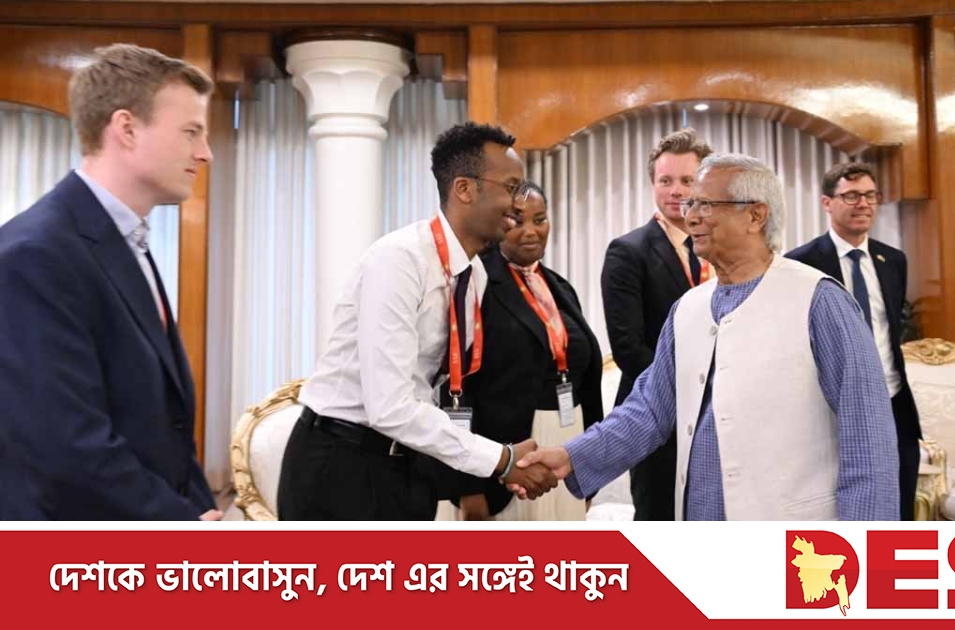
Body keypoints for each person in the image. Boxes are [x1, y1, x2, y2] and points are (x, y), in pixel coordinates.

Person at [514, 153, 900, 520]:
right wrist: (571, 456)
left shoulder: (820, 301)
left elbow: (868, 438)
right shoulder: (687, 309)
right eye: (690, 205)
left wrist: (864, 548)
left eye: (705, 205)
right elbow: (648, 409)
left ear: (755, 215)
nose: (691, 216)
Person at [277, 122, 558, 520]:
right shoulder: (399, 261)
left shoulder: (473, 275)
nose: (519, 204)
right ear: (464, 189)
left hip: (408, 464)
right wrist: (499, 459)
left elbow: (428, 390)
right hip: (342, 464)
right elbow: (390, 407)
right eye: (512, 187)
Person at [0, 44, 219, 520]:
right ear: (127, 128)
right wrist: (182, 526)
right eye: (191, 132)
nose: (205, 153)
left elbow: (166, 430)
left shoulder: (124, 239)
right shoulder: (34, 255)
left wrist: (202, 518)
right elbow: (65, 446)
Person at [443, 184, 604, 520]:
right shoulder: (475, 282)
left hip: (568, 442)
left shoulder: (559, 286)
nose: (531, 231)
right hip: (505, 457)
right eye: (517, 221)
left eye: (540, 220)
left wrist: (591, 473)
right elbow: (457, 385)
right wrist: (466, 487)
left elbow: (586, 377)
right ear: (498, 221)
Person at [784, 162, 922, 520]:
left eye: (870, 195)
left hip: (893, 400)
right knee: (841, 507)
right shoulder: (800, 264)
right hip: (833, 407)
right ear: (827, 203)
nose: (863, 204)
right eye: (852, 196)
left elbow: (892, 326)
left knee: (899, 503)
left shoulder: (893, 260)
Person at [600, 128, 713, 521]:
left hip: (718, 416)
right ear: (652, 184)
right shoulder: (628, 252)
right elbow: (629, 350)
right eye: (665, 181)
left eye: (687, 180)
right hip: (657, 415)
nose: (676, 190)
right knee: (658, 523)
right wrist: (692, 390)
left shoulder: (719, 249)